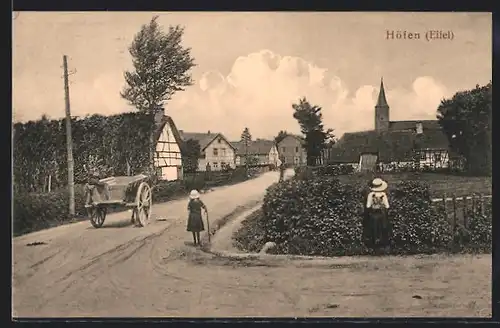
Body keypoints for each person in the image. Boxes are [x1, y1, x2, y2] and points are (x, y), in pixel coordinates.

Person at [363, 178, 391, 253]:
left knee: (373, 228)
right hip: (381, 213)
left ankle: (373, 246)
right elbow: (387, 206)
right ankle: (382, 245)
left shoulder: (371, 195)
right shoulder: (383, 194)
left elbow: (368, 206)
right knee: (382, 228)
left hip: (373, 214)